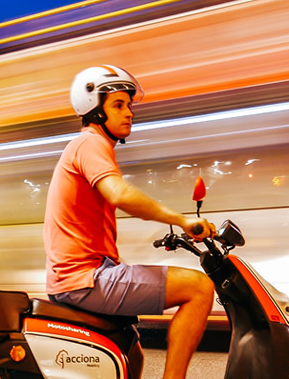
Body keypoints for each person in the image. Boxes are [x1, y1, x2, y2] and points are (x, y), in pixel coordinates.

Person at [43, 65, 216, 379]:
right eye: (118, 105)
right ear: (95, 111)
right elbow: (119, 194)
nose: (129, 113)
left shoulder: (91, 147)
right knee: (200, 287)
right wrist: (181, 221)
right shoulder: (90, 144)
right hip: (85, 278)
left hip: (88, 272)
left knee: (130, 353)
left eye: (129, 106)